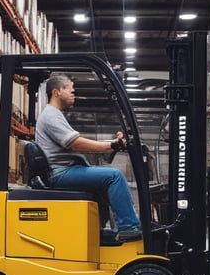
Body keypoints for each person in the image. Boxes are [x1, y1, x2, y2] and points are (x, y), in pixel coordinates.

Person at [35, 73, 142, 241]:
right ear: (56, 92)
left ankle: (101, 232)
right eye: (70, 90)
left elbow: (77, 142)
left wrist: (113, 143)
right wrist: (111, 145)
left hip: (66, 170)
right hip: (61, 173)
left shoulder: (55, 115)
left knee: (104, 183)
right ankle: (129, 228)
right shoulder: (50, 115)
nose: (73, 94)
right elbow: (74, 143)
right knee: (114, 176)